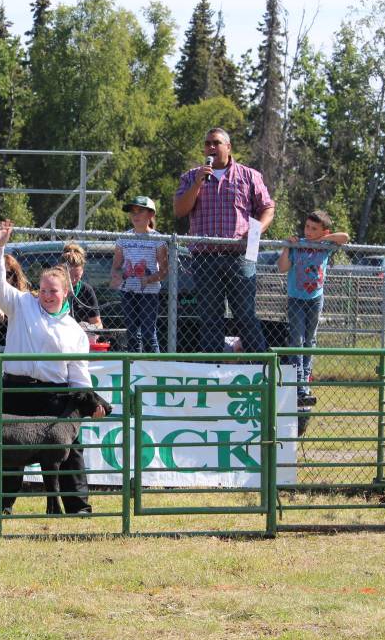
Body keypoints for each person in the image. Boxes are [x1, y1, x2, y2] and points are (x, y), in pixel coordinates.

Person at [0, 220, 106, 515]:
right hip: (15, 389)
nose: (47, 294)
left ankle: (78, 506)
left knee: (70, 448)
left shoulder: (75, 331)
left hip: (54, 395)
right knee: (8, 447)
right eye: (42, 289)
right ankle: (0, 505)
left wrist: (93, 403)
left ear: (65, 293)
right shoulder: (20, 304)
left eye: (53, 290)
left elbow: (79, 375)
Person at [173, 127, 275, 353]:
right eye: (207, 143)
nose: (211, 147)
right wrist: (197, 184)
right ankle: (213, 369)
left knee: (245, 315)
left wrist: (255, 230)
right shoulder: (191, 176)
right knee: (210, 318)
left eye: (216, 143)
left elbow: (268, 208)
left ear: (228, 147)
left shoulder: (249, 175)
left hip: (240, 256)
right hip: (204, 257)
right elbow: (180, 210)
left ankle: (260, 367)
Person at [277, 210, 349, 425]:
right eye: (307, 227)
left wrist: (323, 238)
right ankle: (298, 385)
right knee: (297, 341)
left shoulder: (325, 245)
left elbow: (344, 237)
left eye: (314, 228)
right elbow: (282, 268)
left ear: (323, 231)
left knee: (310, 341)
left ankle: (305, 383)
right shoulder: (297, 245)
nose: (308, 231)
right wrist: (287, 247)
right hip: (296, 299)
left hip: (315, 299)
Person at [110, 197, 167, 353]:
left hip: (149, 294)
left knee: (149, 334)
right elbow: (115, 267)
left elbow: (164, 271)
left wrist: (148, 279)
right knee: (133, 335)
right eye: (132, 212)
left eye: (140, 211)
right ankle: (136, 370)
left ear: (150, 214)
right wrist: (116, 277)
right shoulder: (123, 238)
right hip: (128, 292)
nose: (135, 215)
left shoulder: (159, 239)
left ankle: (156, 369)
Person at [60, 243, 102, 330]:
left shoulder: (86, 290)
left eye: (76, 276)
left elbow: (98, 323)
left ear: (82, 272)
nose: (73, 280)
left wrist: (88, 327)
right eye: (69, 276)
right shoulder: (52, 288)